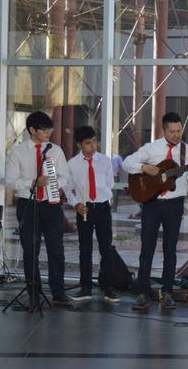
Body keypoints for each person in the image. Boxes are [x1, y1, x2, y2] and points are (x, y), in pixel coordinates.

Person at [122, 112, 188, 310]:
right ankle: (143, 293)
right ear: (164, 130)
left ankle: (167, 292)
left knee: (170, 249)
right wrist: (144, 167)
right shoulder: (152, 148)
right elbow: (127, 163)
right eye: (172, 131)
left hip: (174, 205)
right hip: (151, 203)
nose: (176, 135)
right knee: (146, 249)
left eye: (179, 131)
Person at [5, 111, 72, 306]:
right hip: (28, 204)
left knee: (56, 249)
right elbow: (10, 181)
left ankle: (58, 292)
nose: (48, 132)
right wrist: (32, 182)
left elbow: (65, 177)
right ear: (32, 130)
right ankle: (34, 291)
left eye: (49, 128)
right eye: (43, 129)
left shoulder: (55, 150)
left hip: (51, 205)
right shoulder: (18, 152)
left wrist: (54, 183)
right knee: (30, 250)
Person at [64, 126, 120, 303]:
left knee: (106, 248)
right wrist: (76, 204)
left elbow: (110, 184)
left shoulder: (105, 161)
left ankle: (108, 287)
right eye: (88, 143)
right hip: (84, 210)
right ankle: (85, 287)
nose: (93, 146)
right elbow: (67, 188)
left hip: (102, 208)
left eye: (94, 141)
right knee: (85, 249)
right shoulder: (72, 164)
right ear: (80, 145)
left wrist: (101, 196)